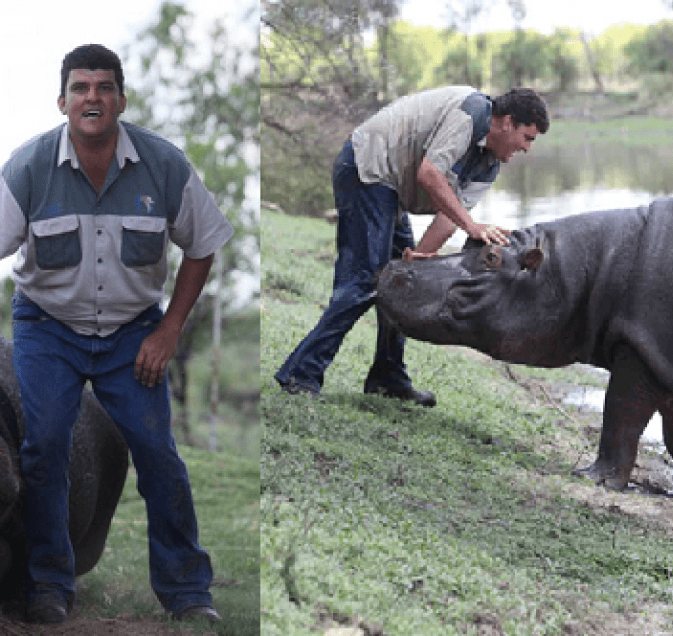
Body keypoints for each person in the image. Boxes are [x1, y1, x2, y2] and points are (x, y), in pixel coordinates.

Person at [0, 44, 234, 624]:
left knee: (159, 453)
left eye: (104, 87)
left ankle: (186, 591)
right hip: (47, 328)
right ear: (62, 101)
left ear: (121, 100)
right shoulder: (27, 169)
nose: (92, 97)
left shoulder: (163, 164)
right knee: (45, 446)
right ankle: (49, 585)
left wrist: (170, 329)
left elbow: (203, 246)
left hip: (134, 332)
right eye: (80, 87)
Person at [275, 86, 549, 406]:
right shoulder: (470, 114)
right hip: (368, 169)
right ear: (506, 122)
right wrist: (473, 227)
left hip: (391, 189)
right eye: (527, 138)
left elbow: (449, 218)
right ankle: (300, 374)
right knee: (364, 281)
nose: (527, 149)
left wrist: (419, 256)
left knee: (403, 280)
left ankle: (387, 378)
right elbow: (429, 175)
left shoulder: (489, 164)